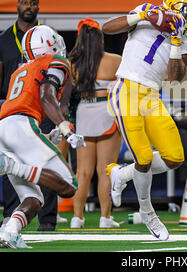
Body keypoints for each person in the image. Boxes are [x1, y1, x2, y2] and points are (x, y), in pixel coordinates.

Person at [102, 0, 187, 241]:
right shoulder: (149, 11)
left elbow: (175, 77)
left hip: (151, 96)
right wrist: (142, 16)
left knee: (175, 157)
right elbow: (107, 27)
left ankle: (121, 174)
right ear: (177, 6)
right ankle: (148, 214)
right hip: (126, 88)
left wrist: (176, 39)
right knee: (144, 158)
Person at [0, 25, 85, 248]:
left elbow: (23, 107)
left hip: (4, 129)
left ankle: (9, 232)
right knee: (69, 186)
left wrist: (48, 135)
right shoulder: (55, 62)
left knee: (34, 200)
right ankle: (13, 166)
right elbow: (47, 96)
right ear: (49, 43)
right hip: (21, 126)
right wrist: (65, 128)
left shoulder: (20, 70)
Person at [0, 0, 62, 232]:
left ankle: (47, 220)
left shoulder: (48, 36)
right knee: (12, 161)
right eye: (25, 2)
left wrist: (61, 111)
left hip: (43, 108)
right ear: (17, 6)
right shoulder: (3, 40)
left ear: (39, 8)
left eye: (34, 3)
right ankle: (10, 216)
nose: (30, 6)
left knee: (45, 160)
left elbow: (60, 71)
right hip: (15, 107)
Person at [67, 18, 122, 229]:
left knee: (83, 172)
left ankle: (77, 217)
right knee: (106, 170)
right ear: (100, 38)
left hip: (83, 115)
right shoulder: (115, 60)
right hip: (107, 113)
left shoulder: (72, 63)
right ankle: (105, 218)